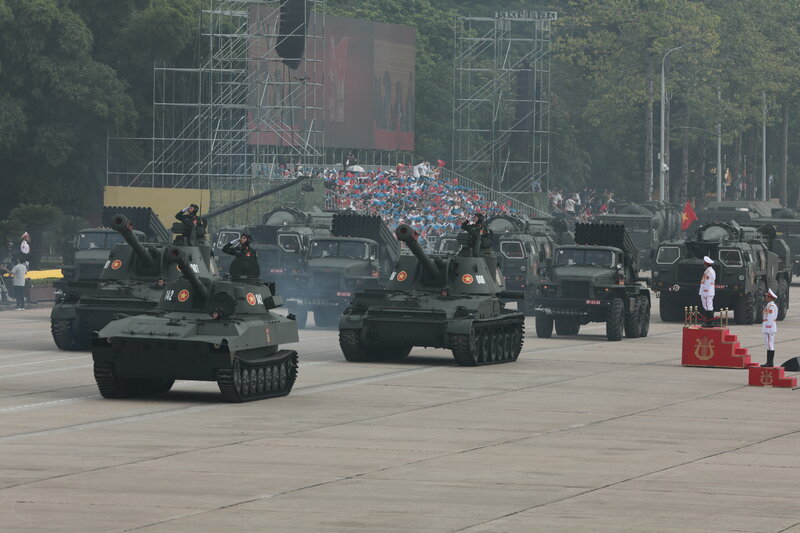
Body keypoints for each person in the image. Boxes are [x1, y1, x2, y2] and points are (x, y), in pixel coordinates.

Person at [761, 288, 778, 367]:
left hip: (769, 329)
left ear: (770, 297)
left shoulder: (771, 306)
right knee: (768, 345)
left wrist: (768, 329)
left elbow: (770, 318)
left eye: (767, 296)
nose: (765, 298)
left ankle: (770, 362)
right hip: (768, 328)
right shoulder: (769, 306)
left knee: (770, 345)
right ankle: (769, 362)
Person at [699, 256, 716, 326]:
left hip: (707, 291)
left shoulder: (709, 272)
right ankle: (709, 321)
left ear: (706, 264)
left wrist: (705, 291)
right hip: (708, 291)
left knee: (707, 306)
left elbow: (708, 282)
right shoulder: (709, 271)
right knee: (708, 306)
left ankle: (709, 322)